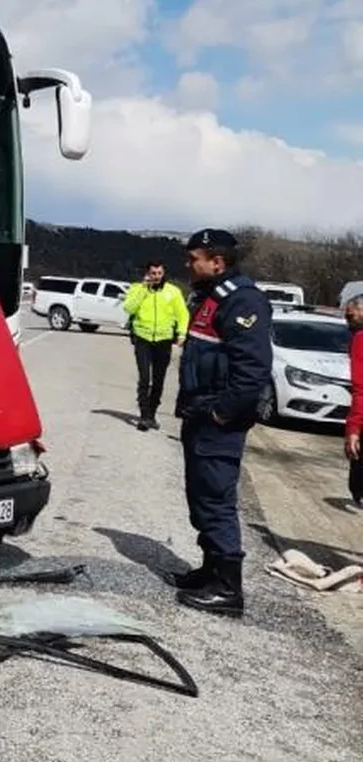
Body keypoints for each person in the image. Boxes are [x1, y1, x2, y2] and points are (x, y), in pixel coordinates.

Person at [173, 228, 273, 618]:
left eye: (194, 257)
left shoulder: (243, 301)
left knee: (216, 497)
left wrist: (221, 413)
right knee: (200, 494)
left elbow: (253, 372)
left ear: (217, 262)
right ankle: (211, 570)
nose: (188, 263)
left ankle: (229, 590)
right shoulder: (211, 298)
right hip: (200, 412)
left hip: (219, 420)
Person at [122, 262, 189, 430]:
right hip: (143, 338)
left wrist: (182, 333)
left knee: (159, 380)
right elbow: (129, 308)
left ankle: (152, 414)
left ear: (163, 273)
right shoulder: (137, 288)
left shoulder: (172, 292)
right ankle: (144, 415)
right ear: (147, 274)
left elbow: (183, 314)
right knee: (145, 378)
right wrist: (143, 289)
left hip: (164, 340)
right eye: (153, 273)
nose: (156, 276)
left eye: (159, 273)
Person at [344, 291, 363, 512]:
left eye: (351, 316)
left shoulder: (359, 339)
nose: (347, 321)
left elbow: (361, 388)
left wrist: (354, 428)